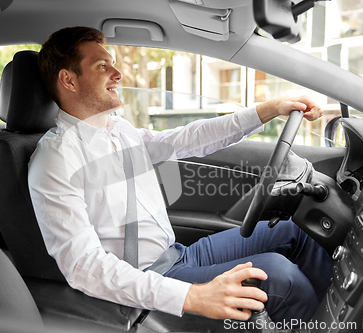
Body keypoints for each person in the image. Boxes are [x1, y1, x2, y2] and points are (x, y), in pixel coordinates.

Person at [29, 26, 332, 323]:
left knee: (296, 231)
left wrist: (267, 110)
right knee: (279, 275)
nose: (117, 74)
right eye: (102, 66)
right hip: (150, 277)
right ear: (68, 80)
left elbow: (185, 138)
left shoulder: (117, 130)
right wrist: (193, 296)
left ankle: (343, 315)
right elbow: (83, 266)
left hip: (178, 255)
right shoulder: (56, 158)